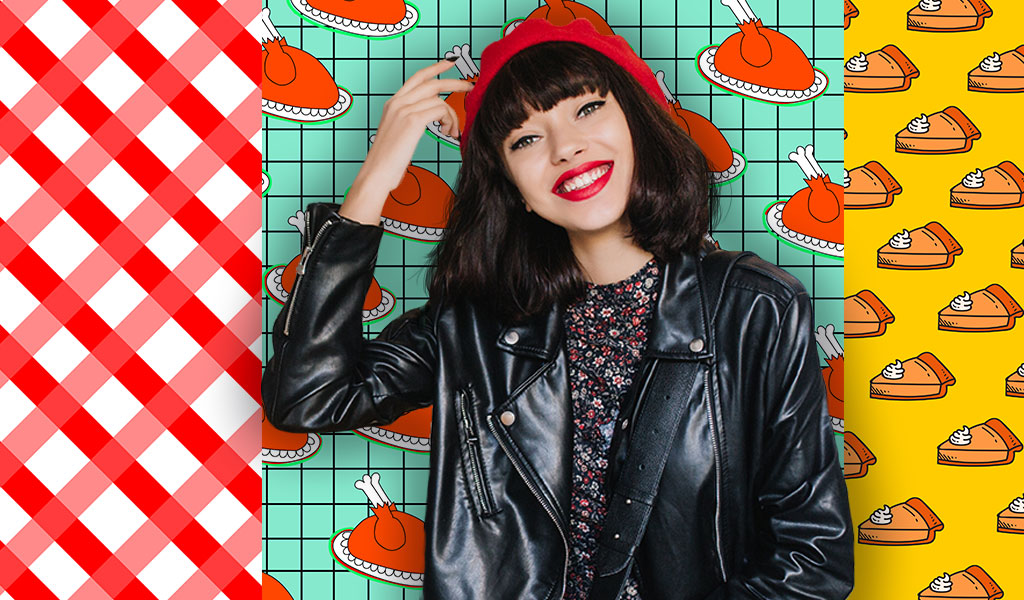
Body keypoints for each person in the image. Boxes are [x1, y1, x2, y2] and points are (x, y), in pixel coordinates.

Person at [262, 18, 853, 600]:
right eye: (525, 140)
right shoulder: (477, 321)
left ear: (638, 122)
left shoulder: (754, 309)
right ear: (513, 188)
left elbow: (812, 558)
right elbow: (308, 397)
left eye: (587, 109)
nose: (566, 147)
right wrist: (374, 181)